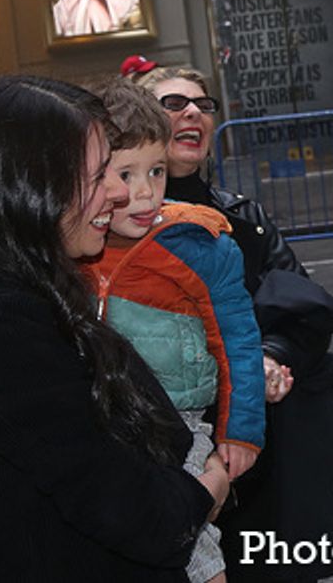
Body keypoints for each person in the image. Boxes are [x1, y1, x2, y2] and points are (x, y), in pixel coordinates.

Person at [0, 74, 230, 581]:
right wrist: (203, 491)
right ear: (32, 182)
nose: (119, 193)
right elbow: (119, 501)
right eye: (101, 175)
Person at [131, 65, 333, 583]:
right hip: (173, 455)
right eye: (173, 103)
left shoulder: (243, 217)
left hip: (260, 459)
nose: (193, 112)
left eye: (203, 104)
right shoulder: (118, 221)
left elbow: (303, 305)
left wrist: (271, 357)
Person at [81, 79, 265, 583]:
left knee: (194, 549)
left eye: (156, 171)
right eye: (125, 173)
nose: (143, 194)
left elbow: (239, 340)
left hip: (177, 426)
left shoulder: (198, 244)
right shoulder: (71, 243)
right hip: (97, 426)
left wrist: (240, 431)